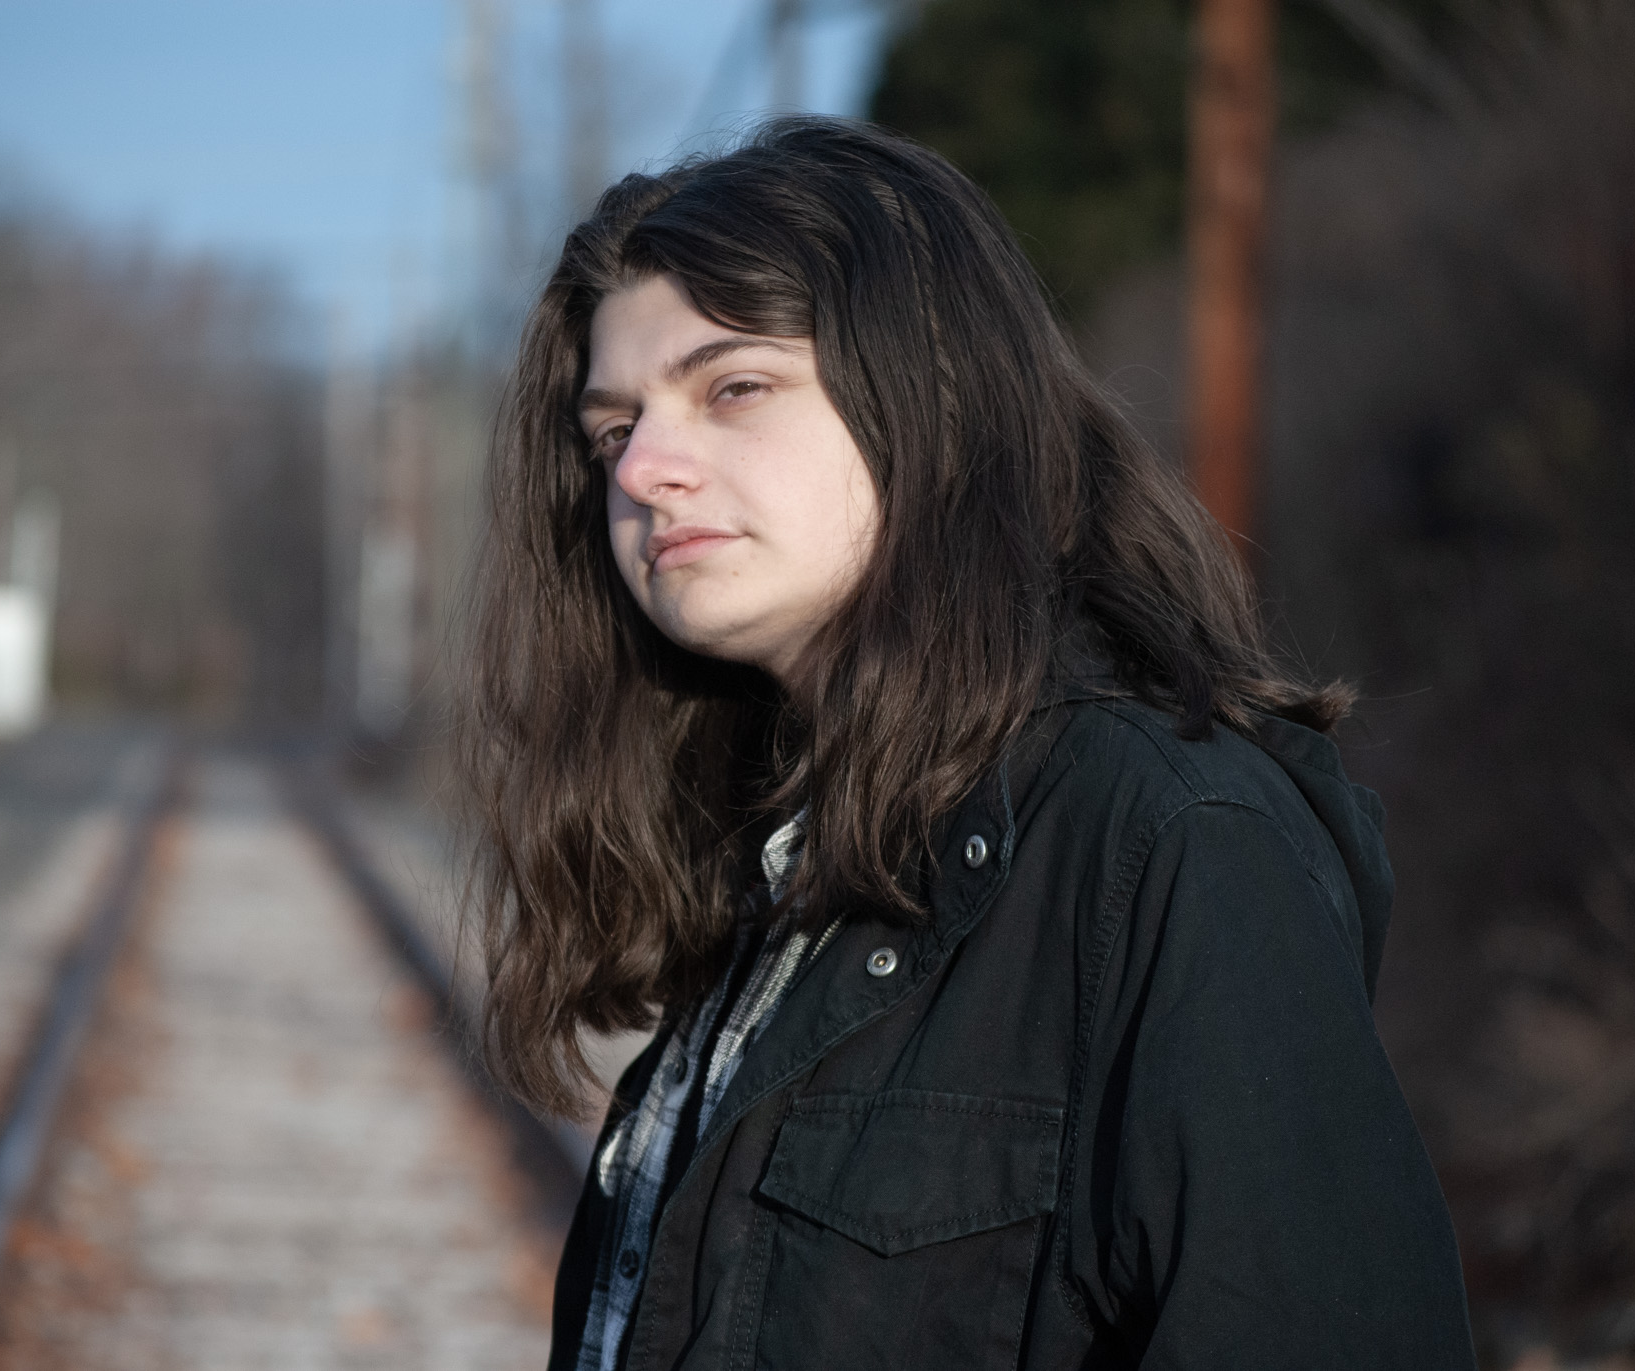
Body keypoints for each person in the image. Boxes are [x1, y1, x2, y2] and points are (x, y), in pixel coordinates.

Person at [461, 117, 1475, 1371]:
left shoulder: (1169, 838)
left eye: (733, 388)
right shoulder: (783, 856)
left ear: (930, 395)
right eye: (612, 430)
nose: (643, 470)